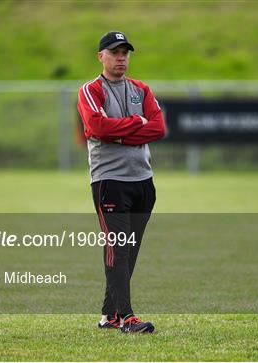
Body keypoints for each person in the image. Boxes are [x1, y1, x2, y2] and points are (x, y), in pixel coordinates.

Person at [77, 31, 166, 333]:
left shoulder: (141, 90)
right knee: (119, 248)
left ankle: (109, 315)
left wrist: (119, 133)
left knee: (131, 250)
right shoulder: (91, 90)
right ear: (101, 56)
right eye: (115, 52)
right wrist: (135, 126)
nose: (121, 58)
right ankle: (127, 317)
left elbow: (158, 128)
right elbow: (96, 126)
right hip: (109, 181)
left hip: (143, 181)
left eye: (125, 53)